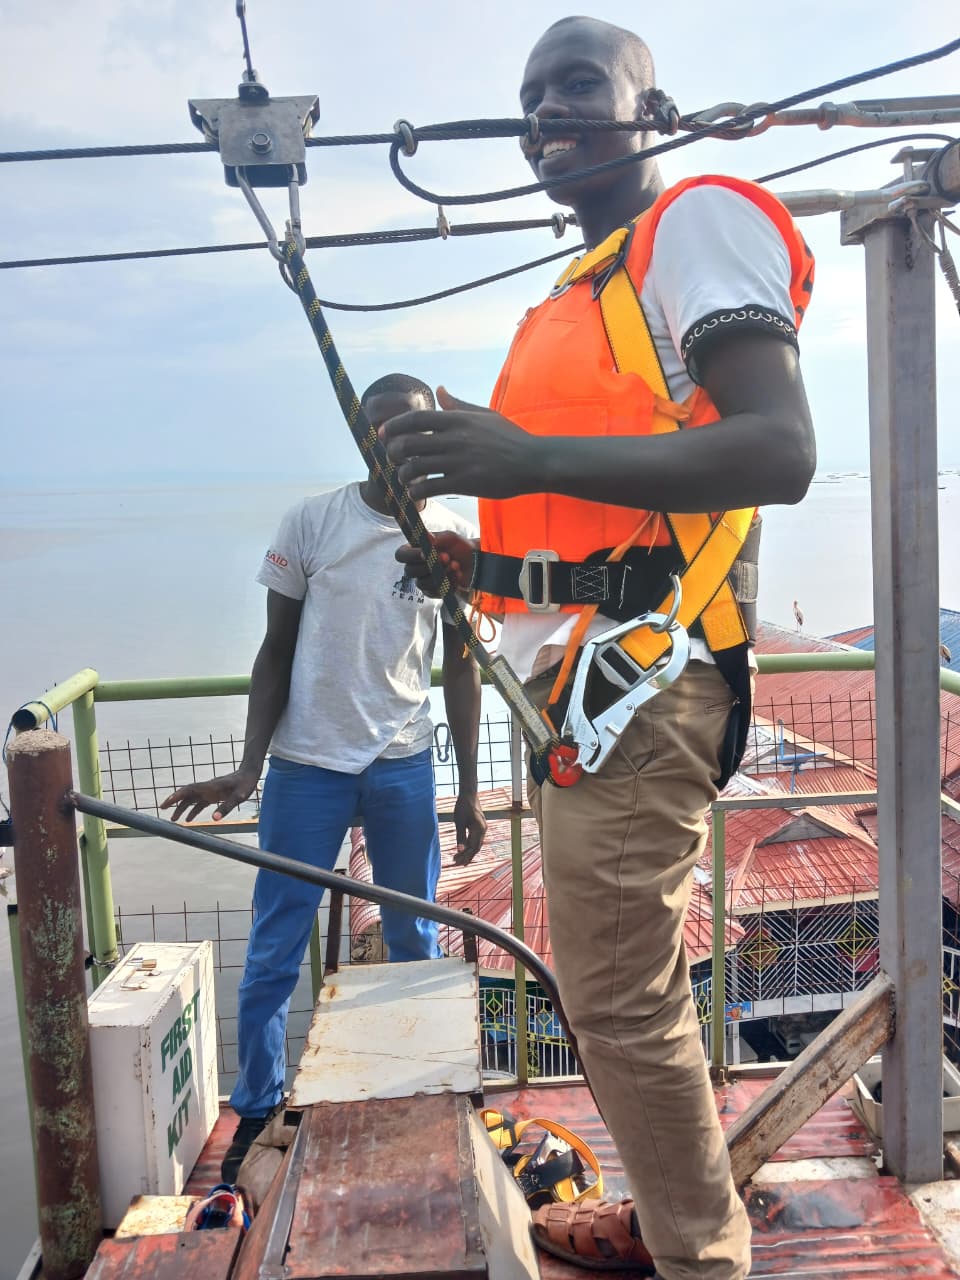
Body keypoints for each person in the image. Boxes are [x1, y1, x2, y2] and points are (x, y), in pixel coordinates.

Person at [380, 18, 816, 1280]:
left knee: (619, 1000)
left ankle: (701, 1257)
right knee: (621, 999)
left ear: (654, 109)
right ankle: (672, 1218)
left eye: (579, 86)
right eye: (530, 100)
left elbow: (777, 448)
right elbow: (604, 515)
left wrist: (524, 457)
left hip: (645, 685)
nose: (546, 115)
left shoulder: (695, 224)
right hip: (581, 682)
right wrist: (483, 562)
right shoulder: (584, 291)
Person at [162, 372, 487, 1183]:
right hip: (306, 766)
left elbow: (462, 667)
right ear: (359, 433)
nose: (391, 442)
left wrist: (472, 788)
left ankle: (422, 1091)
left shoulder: (451, 534)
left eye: (408, 429)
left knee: (415, 936)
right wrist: (247, 767)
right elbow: (274, 650)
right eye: (376, 428)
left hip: (403, 765)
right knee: (276, 944)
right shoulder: (313, 522)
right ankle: (258, 1106)